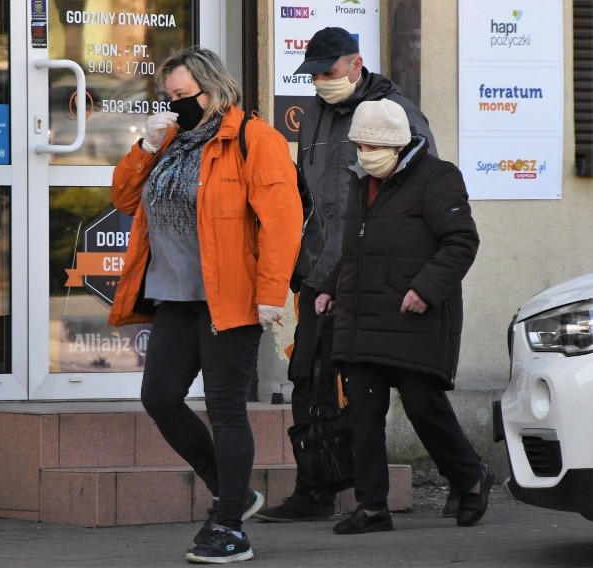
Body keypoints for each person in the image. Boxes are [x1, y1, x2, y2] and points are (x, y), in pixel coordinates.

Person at [108, 46, 303, 563]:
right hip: (174, 296)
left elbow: (282, 222)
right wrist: (146, 147)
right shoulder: (170, 140)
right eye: (166, 97)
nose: (173, 107)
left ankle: (229, 526)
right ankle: (231, 490)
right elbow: (125, 200)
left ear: (213, 91)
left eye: (181, 96)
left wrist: (269, 294)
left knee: (225, 409)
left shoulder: (254, 140)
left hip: (230, 299)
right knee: (160, 397)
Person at [254, 26, 455, 523]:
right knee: (308, 377)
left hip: (377, 275)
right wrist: (302, 266)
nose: (321, 81)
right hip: (322, 272)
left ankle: (466, 474)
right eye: (314, 73)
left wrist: (412, 280)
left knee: (413, 394)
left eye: (329, 71)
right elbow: (309, 195)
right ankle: (317, 488)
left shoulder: (397, 115)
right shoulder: (317, 113)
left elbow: (418, 196)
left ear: (355, 63)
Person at [313, 98, 492, 534]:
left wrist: (425, 289)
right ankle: (372, 508)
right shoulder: (361, 183)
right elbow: (357, 249)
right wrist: (330, 288)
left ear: (398, 145)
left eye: (373, 145)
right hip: (362, 318)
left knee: (423, 406)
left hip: (416, 316)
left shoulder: (438, 178)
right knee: (364, 416)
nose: (364, 152)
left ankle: (470, 478)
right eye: (359, 144)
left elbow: (461, 242)